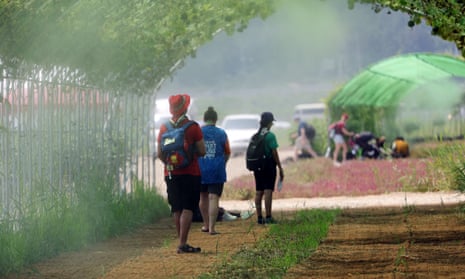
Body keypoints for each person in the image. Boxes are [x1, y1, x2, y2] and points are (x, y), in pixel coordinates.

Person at [157, 94, 206, 254]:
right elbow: (202, 151)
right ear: (185, 107)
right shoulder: (193, 127)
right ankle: (182, 243)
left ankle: (181, 242)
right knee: (188, 207)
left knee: (177, 208)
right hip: (191, 172)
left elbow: (159, 153)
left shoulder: (164, 127)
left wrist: (169, 164)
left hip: (171, 173)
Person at [198, 106, 231, 235]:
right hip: (216, 169)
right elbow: (227, 152)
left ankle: (205, 225)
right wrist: (223, 163)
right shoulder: (222, 133)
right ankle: (212, 228)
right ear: (216, 119)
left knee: (203, 197)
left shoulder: (199, 132)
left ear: (204, 119)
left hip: (201, 168)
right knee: (213, 198)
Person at [253, 112, 284, 224]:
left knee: (258, 191)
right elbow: (274, 152)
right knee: (268, 191)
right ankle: (268, 217)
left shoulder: (256, 135)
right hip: (268, 165)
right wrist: (280, 167)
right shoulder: (270, 136)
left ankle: (259, 217)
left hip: (257, 167)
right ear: (270, 122)